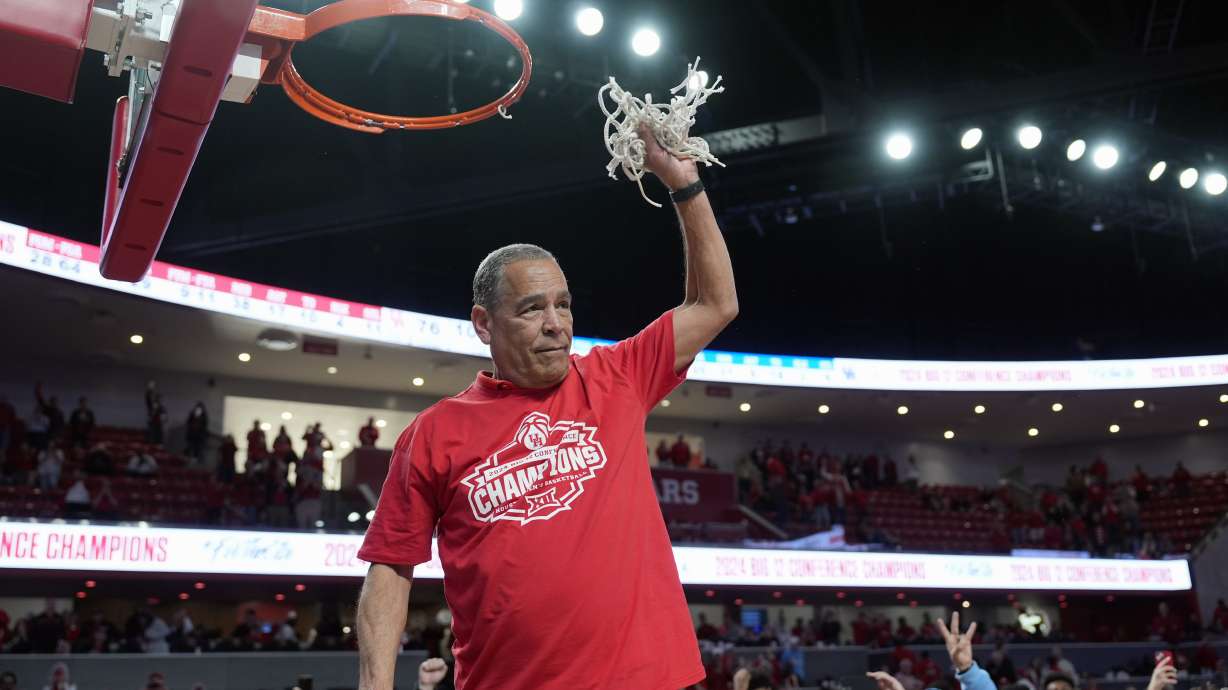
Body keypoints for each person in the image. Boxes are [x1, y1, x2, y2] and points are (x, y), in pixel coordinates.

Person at [355, 130, 737, 690]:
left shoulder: (617, 376)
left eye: (563, 304)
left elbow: (715, 304)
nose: (556, 323)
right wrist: (375, 685)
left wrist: (684, 186)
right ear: (484, 323)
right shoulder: (433, 434)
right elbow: (391, 565)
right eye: (532, 309)